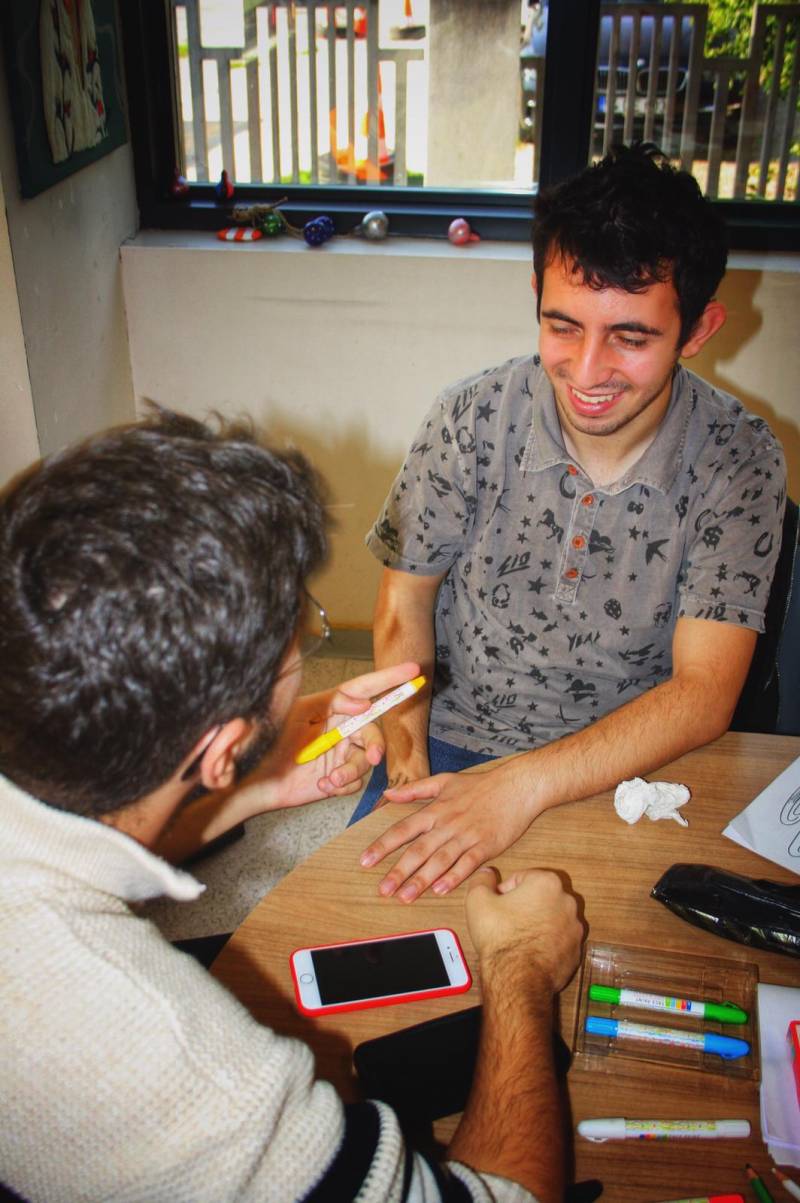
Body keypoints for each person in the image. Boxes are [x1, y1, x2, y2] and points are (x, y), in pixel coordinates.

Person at [0, 409, 584, 1203]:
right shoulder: (185, 1068)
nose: (306, 646)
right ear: (216, 744)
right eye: (299, 639)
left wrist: (251, 774)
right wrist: (522, 969)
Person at [355, 143, 786, 905]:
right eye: (562, 326)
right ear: (536, 296)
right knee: (372, 932)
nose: (586, 373)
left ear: (697, 329)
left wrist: (522, 787)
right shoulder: (471, 416)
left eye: (631, 337)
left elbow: (703, 692)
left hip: (632, 760)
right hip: (454, 732)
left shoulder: (739, 458)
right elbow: (405, 600)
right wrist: (407, 754)